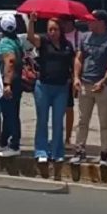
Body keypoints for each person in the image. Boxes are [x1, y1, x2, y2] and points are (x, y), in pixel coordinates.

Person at [72, 10, 107, 166]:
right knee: (82, 120)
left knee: (104, 120)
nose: (88, 23)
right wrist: (76, 77)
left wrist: (103, 81)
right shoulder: (84, 37)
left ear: (101, 22)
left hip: (103, 86)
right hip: (85, 83)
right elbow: (79, 58)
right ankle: (79, 150)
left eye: (92, 20)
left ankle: (105, 153)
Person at [27, 13, 75, 164]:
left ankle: (57, 152)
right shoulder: (43, 41)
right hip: (44, 87)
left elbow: (72, 64)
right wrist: (31, 22)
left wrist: (74, 81)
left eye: (55, 29)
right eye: (50, 29)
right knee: (42, 119)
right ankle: (41, 150)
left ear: (61, 30)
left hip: (61, 88)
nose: (52, 32)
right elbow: (30, 38)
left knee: (58, 121)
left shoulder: (67, 45)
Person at [0, 14, 23, 158]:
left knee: (10, 114)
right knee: (9, 112)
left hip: (9, 82)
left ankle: (14, 144)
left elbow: (9, 62)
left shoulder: (5, 43)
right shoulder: (16, 40)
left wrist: (7, 84)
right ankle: (3, 142)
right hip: (16, 81)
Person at [59, 16, 79, 146]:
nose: (63, 25)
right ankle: (57, 135)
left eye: (65, 22)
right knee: (57, 109)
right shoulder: (58, 36)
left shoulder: (79, 36)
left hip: (71, 76)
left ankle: (68, 138)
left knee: (69, 108)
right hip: (58, 75)